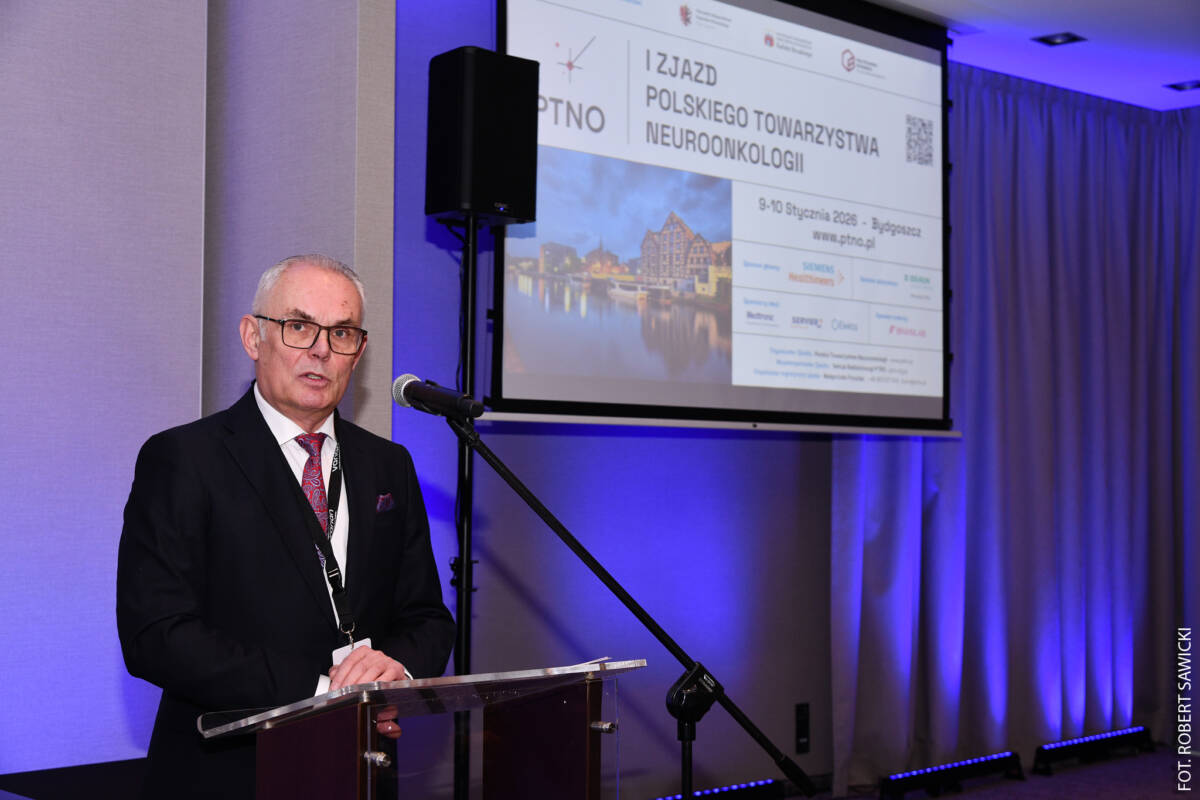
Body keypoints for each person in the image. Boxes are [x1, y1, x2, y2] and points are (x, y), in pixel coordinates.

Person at [117, 254, 455, 798]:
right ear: (254, 337)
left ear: (359, 352)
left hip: (361, 768)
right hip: (228, 774)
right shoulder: (184, 458)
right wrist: (322, 694)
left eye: (341, 332)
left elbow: (427, 617)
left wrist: (395, 675)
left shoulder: (388, 464)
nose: (321, 349)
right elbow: (156, 635)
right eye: (299, 326)